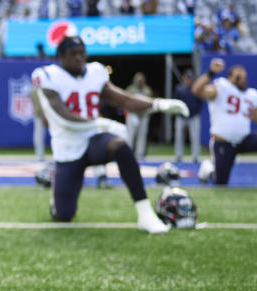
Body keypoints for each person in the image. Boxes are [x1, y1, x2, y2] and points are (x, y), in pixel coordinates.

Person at [32, 37, 189, 233]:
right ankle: (57, 197)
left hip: (93, 141)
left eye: (82, 53)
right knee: (64, 215)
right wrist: (102, 122)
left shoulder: (95, 72)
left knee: (120, 146)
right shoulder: (47, 76)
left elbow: (124, 99)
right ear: (61, 56)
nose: (79, 58)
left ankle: (145, 213)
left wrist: (157, 104)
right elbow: (62, 117)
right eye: (73, 54)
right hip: (67, 147)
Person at [191, 58, 257, 185]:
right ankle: (209, 171)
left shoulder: (252, 94)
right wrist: (210, 73)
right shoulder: (221, 86)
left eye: (244, 77)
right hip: (224, 142)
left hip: (244, 139)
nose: (242, 80)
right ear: (230, 77)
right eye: (238, 77)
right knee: (221, 183)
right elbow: (197, 91)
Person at [173, 69, 204, 163]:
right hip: (181, 116)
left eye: (191, 78)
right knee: (179, 136)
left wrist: (196, 112)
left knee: (195, 137)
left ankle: (195, 156)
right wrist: (178, 113)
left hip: (193, 116)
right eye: (187, 78)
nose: (189, 80)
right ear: (184, 78)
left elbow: (200, 102)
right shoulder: (179, 89)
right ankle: (178, 155)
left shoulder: (196, 89)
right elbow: (175, 102)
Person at [124, 72, 153, 159]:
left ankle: (140, 155)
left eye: (142, 80)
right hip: (132, 115)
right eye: (139, 80)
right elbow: (125, 101)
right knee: (130, 135)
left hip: (143, 115)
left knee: (142, 135)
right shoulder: (130, 89)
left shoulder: (147, 90)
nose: (140, 82)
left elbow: (150, 102)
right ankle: (128, 153)